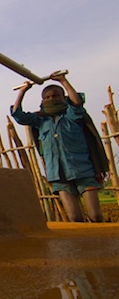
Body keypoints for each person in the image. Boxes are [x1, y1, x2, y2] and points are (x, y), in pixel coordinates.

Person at [11, 70, 105, 222]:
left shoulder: (72, 115)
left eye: (55, 96)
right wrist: (23, 91)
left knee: (95, 215)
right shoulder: (40, 120)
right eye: (47, 97)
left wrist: (63, 81)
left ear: (63, 98)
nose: (51, 99)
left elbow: (77, 102)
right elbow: (18, 115)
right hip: (58, 174)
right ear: (42, 101)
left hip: (83, 170)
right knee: (74, 217)